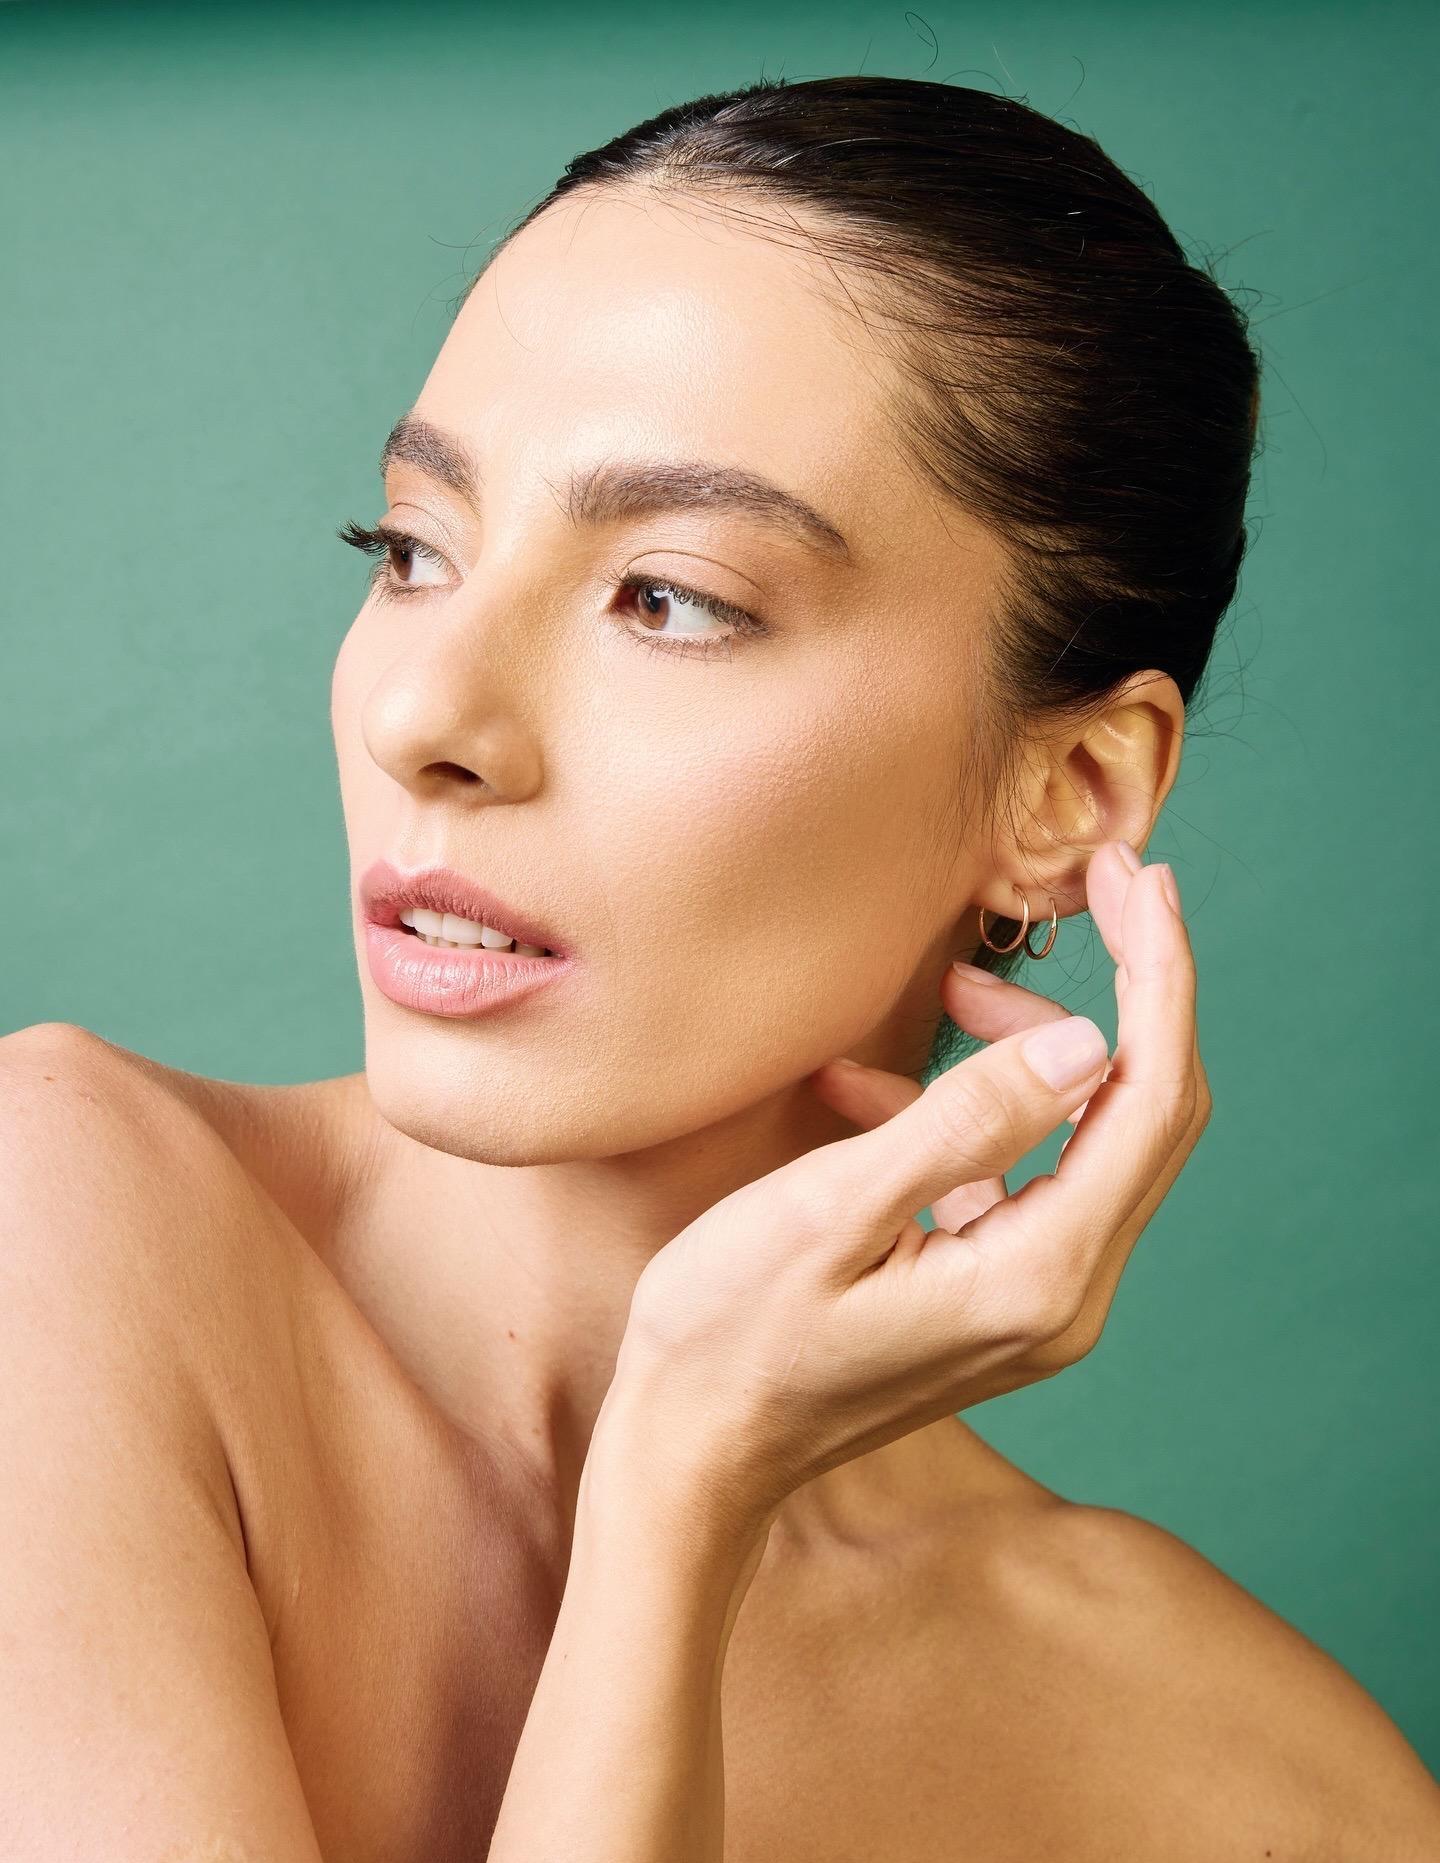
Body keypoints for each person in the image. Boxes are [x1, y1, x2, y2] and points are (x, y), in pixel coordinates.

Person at [3, 72, 1437, 1862]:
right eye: (414, 550)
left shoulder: (1247, 1787)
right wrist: (677, 1486)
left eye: (668, 597)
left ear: (1067, 794)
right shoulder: (54, 1226)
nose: (423, 714)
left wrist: (686, 1470)